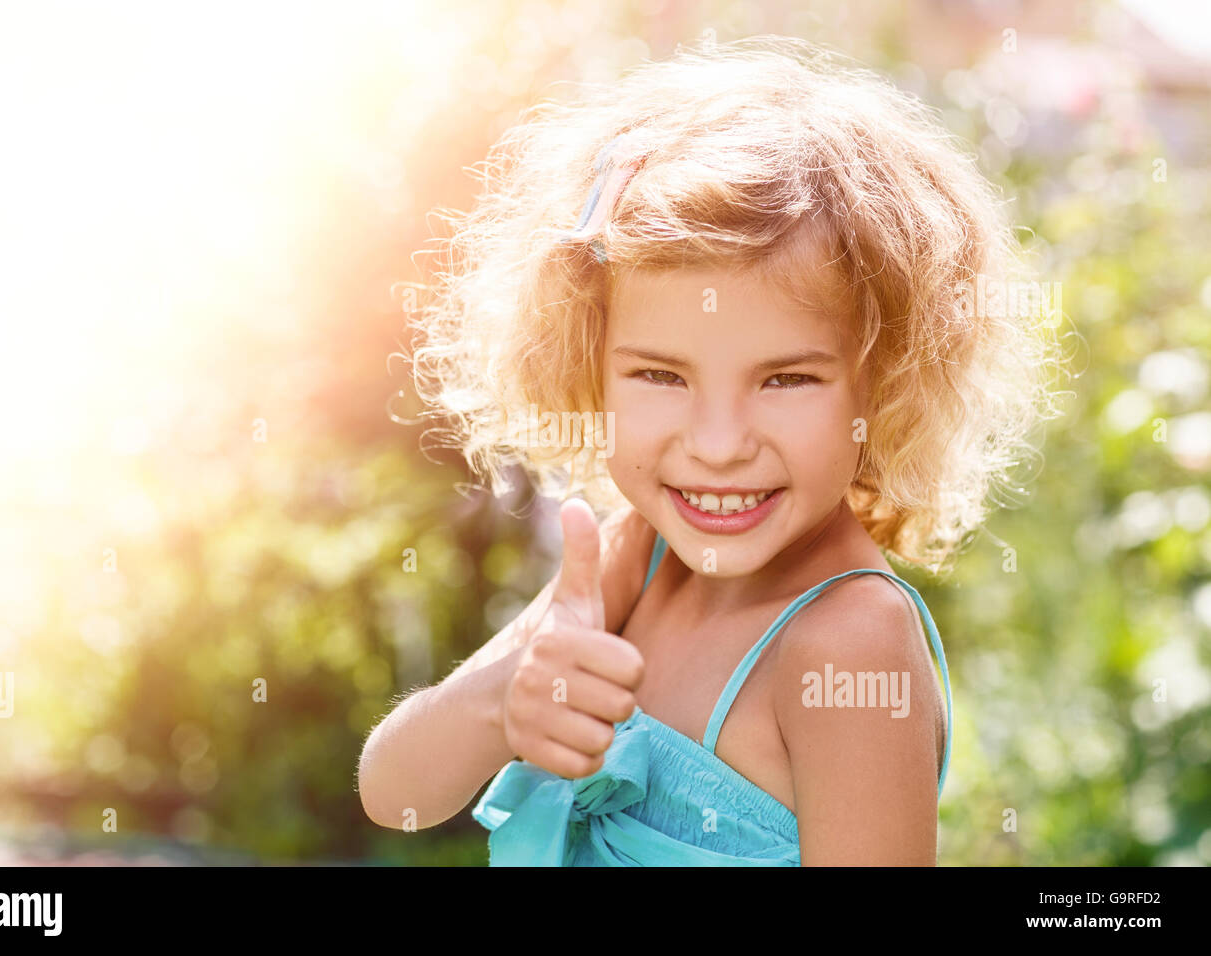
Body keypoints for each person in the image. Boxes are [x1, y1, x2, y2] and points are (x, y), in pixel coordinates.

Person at [359, 34, 1064, 865]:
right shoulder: (636, 557)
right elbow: (395, 795)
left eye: (786, 381)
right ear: (590, 362)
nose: (719, 446)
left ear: (884, 383)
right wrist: (500, 704)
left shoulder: (850, 642)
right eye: (662, 375)